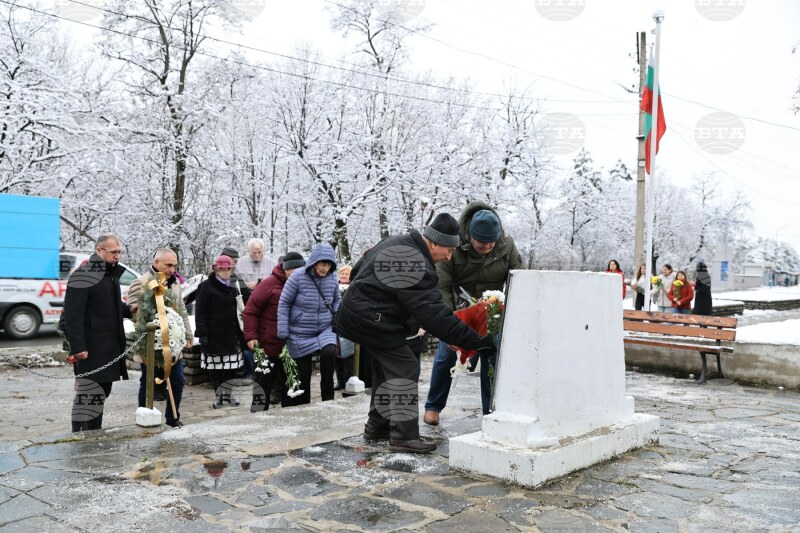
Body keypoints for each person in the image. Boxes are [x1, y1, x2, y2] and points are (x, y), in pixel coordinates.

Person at [335, 212, 496, 454]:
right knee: (406, 366)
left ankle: (377, 426)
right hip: (371, 319)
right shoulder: (414, 264)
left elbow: (359, 269)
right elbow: (434, 315)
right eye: (449, 250)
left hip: (362, 314)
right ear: (434, 243)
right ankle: (404, 436)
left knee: (385, 370)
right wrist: (475, 340)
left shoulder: (398, 242)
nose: (449, 257)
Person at [423, 202, 523, 426]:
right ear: (469, 235)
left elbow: (520, 278)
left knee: (492, 359)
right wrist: (448, 324)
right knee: (446, 355)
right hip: (461, 311)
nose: (487, 246)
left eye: (491, 241)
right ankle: (433, 406)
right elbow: (441, 286)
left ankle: (491, 410)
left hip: (493, 311)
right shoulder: (453, 246)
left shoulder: (507, 246)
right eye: (481, 241)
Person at [63, 234, 132, 432]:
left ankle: (94, 433)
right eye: (113, 252)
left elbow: (110, 304)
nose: (117, 256)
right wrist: (78, 347)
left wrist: (130, 310)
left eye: (119, 252)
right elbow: (72, 315)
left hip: (109, 346)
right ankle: (80, 435)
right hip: (91, 348)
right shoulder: (83, 275)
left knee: (102, 392)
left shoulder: (110, 274)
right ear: (99, 251)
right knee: (89, 394)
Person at [128, 248, 193, 428]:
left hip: (173, 343)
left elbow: (181, 309)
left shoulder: (175, 283)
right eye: (168, 265)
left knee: (177, 381)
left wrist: (187, 333)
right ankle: (144, 418)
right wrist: (154, 319)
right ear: (156, 262)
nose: (172, 269)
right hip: (150, 342)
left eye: (174, 265)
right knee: (148, 383)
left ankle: (173, 418)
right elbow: (132, 312)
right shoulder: (140, 282)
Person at [277, 243, 340, 406]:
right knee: (303, 373)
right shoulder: (297, 276)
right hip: (300, 330)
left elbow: (336, 300)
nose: (325, 268)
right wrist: (283, 330)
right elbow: (284, 303)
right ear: (314, 262)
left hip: (325, 327)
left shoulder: (333, 277)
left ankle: (328, 399)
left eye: (328, 265)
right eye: (322, 264)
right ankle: (303, 406)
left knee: (329, 352)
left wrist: (336, 314)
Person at [242, 252, 306, 412]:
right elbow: (250, 311)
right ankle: (257, 419)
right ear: (285, 269)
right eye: (293, 270)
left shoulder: (305, 285)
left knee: (290, 390)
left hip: (291, 347)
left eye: (300, 270)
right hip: (267, 344)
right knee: (262, 388)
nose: (296, 274)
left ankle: (289, 419)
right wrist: (251, 336)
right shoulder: (268, 284)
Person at [194, 255, 248, 409]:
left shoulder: (237, 284)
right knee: (215, 368)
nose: (225, 272)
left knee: (231, 367)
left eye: (228, 269)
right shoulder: (206, 286)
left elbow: (248, 302)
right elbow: (200, 312)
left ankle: (228, 394)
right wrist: (202, 333)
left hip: (232, 333)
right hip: (214, 334)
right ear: (216, 270)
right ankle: (218, 395)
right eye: (222, 269)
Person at [335, 265, 355, 392]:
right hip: (336, 324)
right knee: (337, 355)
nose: (343, 276)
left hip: (348, 325)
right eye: (342, 273)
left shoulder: (353, 287)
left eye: (346, 274)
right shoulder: (334, 287)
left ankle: (348, 380)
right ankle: (339, 381)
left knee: (348, 355)